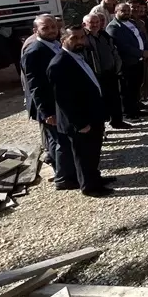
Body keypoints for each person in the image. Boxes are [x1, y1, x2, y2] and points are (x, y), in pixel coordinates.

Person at [47, 26, 112, 198]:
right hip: (80, 120)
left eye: (82, 37)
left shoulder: (80, 57)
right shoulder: (59, 63)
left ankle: (95, 178)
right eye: (74, 38)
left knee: (93, 152)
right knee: (83, 155)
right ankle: (89, 187)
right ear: (63, 41)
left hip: (93, 114)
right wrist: (80, 123)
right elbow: (64, 99)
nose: (80, 42)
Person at [21, 15, 76, 190]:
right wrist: (46, 112)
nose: (52, 30)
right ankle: (64, 178)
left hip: (60, 102)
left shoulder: (56, 45)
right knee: (60, 141)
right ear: (36, 31)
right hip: (49, 106)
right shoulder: (34, 51)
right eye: (46, 28)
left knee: (59, 140)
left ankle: (66, 173)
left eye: (54, 26)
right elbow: (35, 85)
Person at [106, 3, 148, 118]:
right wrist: (140, 52)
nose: (126, 13)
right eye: (123, 11)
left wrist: (147, 49)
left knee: (136, 86)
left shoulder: (132, 22)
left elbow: (141, 37)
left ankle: (136, 108)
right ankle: (128, 112)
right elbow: (122, 46)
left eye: (127, 10)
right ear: (116, 12)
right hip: (127, 63)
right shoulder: (113, 27)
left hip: (139, 60)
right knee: (127, 89)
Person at [83, 12, 127, 125]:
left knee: (115, 98)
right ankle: (101, 127)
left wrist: (117, 66)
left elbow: (113, 51)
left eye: (97, 22)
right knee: (99, 101)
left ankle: (117, 121)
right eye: (91, 22)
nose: (95, 25)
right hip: (95, 74)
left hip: (110, 72)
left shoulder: (104, 35)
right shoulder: (83, 39)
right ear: (84, 24)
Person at [130, 0, 148, 103]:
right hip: (137, 55)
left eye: (139, 8)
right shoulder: (129, 23)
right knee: (140, 79)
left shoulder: (142, 22)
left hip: (147, 51)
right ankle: (140, 100)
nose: (137, 10)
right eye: (134, 8)